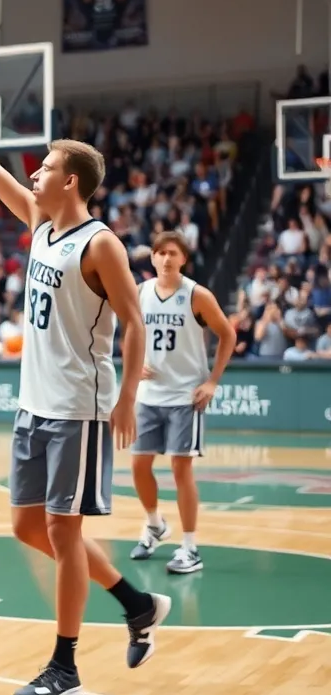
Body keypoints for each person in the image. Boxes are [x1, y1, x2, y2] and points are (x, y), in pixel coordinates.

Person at [0, 54, 171, 695]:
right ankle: (136, 602)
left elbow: (136, 322)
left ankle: (66, 664)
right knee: (28, 527)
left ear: (72, 180)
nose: (34, 171)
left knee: (62, 532)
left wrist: (128, 394)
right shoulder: (41, 223)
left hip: (79, 408)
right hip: (33, 404)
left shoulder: (99, 243)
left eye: (46, 166)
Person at [130, 231, 235, 575]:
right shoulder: (141, 292)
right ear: (153, 258)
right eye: (160, 253)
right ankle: (155, 524)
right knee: (138, 465)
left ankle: (190, 546)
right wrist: (131, 361)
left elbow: (227, 333)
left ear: (183, 258)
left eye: (173, 253)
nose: (166, 259)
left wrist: (212, 381)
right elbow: (129, 331)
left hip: (184, 396)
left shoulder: (196, 295)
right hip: (149, 395)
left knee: (180, 468)